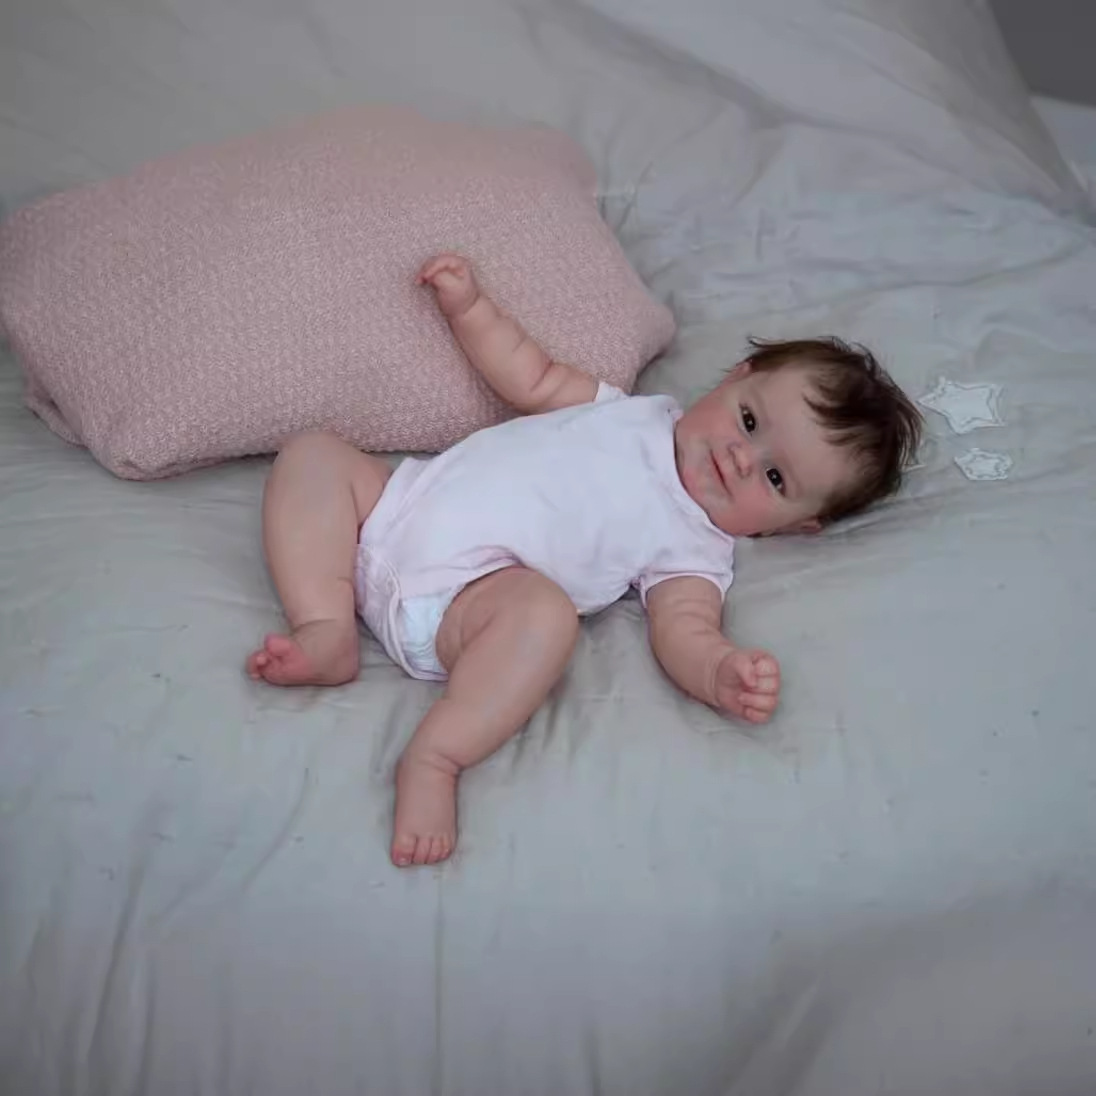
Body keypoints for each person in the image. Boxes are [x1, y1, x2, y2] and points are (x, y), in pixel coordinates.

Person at [246, 254, 923, 867]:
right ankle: (325, 625)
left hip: (462, 604)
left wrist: (719, 671)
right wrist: (470, 307)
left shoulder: (695, 547)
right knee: (312, 455)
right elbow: (530, 373)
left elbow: (684, 630)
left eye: (775, 479)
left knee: (543, 616)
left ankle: (437, 755)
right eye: (749, 422)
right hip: (391, 508)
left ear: (795, 525)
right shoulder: (626, 413)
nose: (742, 459)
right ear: (733, 378)